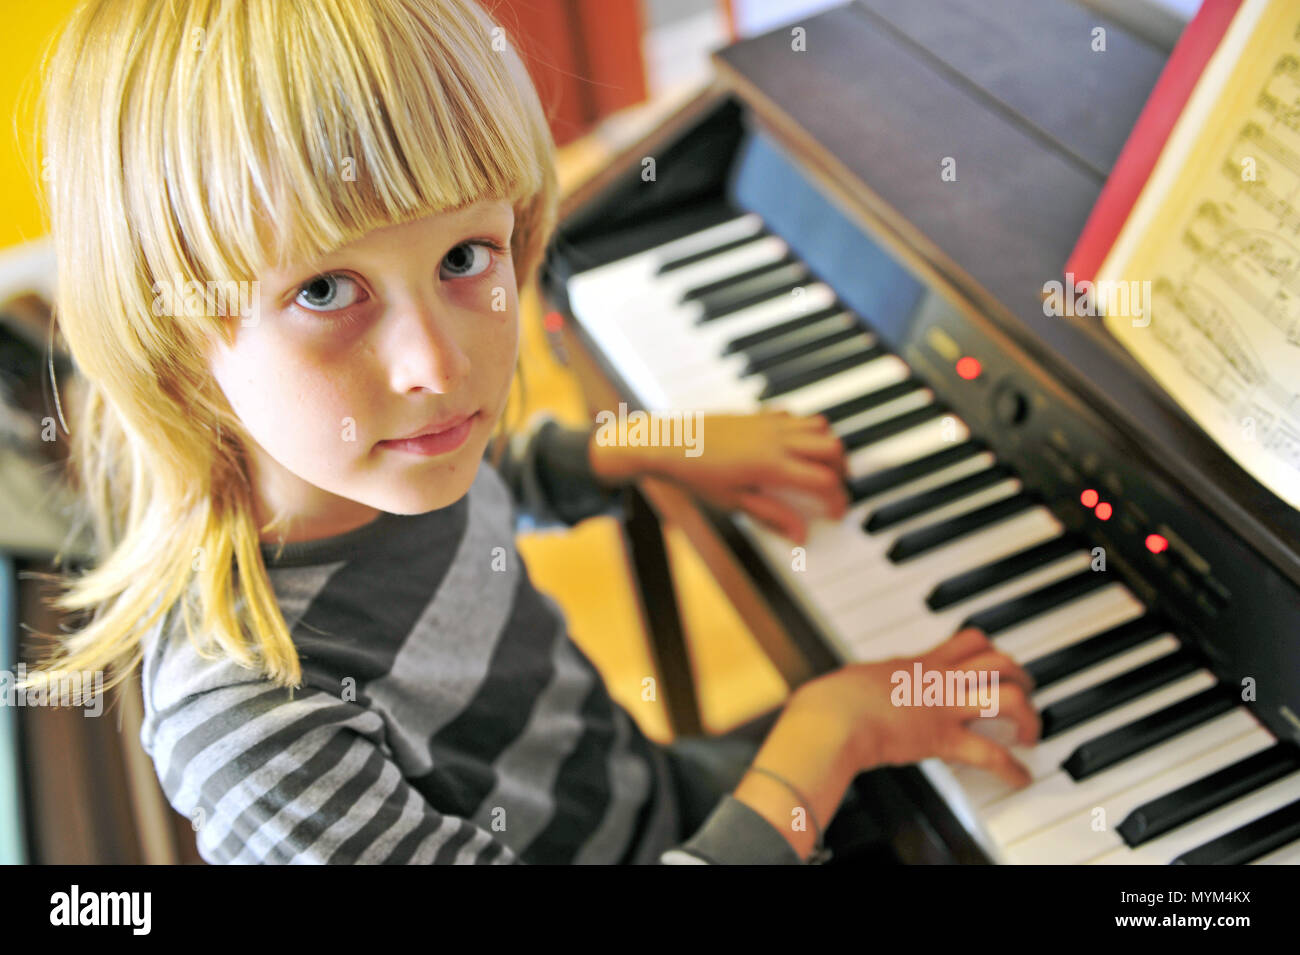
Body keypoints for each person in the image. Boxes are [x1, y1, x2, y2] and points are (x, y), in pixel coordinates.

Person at [24, 0, 1039, 864]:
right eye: (327, 289)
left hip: (658, 803)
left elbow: (481, 479)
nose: (439, 367)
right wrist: (828, 735)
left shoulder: (374, 461)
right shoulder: (253, 733)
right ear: (168, 327)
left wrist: (633, 448)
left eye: (467, 253)